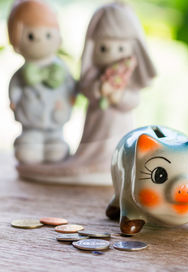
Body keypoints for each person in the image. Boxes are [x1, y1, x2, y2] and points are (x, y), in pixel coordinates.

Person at [17, 2, 157, 185]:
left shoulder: (127, 78)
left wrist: (117, 96)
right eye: (103, 48)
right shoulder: (95, 76)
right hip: (96, 123)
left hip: (119, 125)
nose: (112, 53)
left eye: (121, 48)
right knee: (93, 144)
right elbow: (86, 89)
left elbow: (133, 99)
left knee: (119, 145)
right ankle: (90, 161)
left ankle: (113, 164)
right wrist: (99, 89)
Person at [8, 0, 76, 164]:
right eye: (31, 36)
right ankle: (29, 142)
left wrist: (71, 97)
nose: (40, 40)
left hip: (56, 116)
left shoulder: (60, 69)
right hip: (31, 117)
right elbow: (14, 87)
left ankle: (55, 142)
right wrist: (14, 100)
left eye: (48, 34)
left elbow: (71, 85)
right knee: (28, 152)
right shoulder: (23, 73)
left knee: (56, 152)